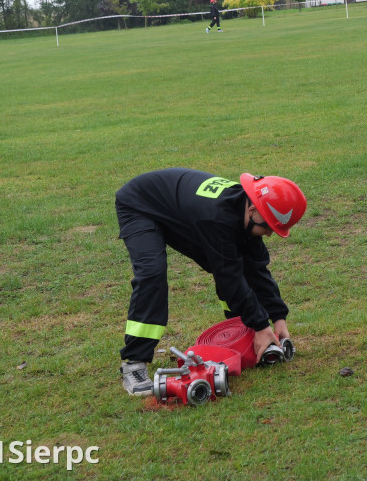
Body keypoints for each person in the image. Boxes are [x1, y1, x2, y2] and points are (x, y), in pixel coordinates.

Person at [116, 168, 306, 395]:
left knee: (242, 264)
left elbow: (257, 270)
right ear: (253, 209)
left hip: (180, 210)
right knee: (152, 274)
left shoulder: (244, 210)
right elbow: (229, 277)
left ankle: (240, 335)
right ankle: (134, 363)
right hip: (140, 204)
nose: (268, 235)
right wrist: (261, 325)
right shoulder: (217, 218)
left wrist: (278, 317)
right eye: (267, 227)